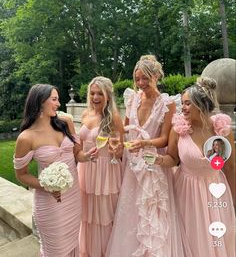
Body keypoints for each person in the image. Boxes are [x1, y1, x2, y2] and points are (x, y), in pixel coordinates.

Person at [106, 55, 184, 257]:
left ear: (157, 76)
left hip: (153, 166)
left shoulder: (167, 103)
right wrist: (116, 142)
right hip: (131, 166)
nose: (141, 84)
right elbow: (124, 129)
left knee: (152, 215)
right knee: (131, 212)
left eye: (145, 79)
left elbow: (165, 139)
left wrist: (144, 143)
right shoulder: (132, 97)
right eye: (138, 79)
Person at [155, 77, 235, 257]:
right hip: (185, 192)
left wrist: (233, 201)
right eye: (182, 103)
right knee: (189, 237)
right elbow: (172, 158)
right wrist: (158, 160)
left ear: (201, 105)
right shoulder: (178, 129)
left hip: (215, 192)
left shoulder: (222, 131)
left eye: (187, 104)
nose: (182, 108)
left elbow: (230, 168)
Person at [13, 84, 94, 257]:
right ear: (40, 102)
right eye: (54, 99)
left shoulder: (65, 122)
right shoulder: (26, 137)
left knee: (73, 242)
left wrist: (87, 156)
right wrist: (47, 186)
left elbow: (77, 153)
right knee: (55, 250)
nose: (58, 104)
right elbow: (21, 175)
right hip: (49, 202)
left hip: (72, 196)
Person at [78, 76, 124, 257]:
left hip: (106, 172)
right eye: (92, 93)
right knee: (87, 215)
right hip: (86, 170)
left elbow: (120, 153)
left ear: (108, 96)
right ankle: (88, 251)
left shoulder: (113, 117)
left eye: (100, 94)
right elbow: (80, 146)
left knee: (105, 216)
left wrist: (117, 150)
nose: (95, 97)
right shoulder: (85, 114)